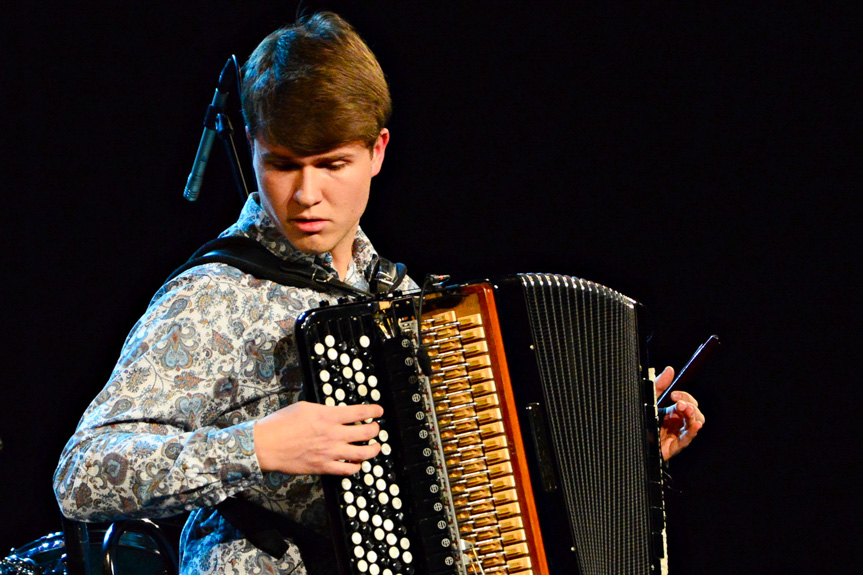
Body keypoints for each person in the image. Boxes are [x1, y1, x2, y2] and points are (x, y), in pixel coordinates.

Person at [53, 11, 705, 575]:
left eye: (331, 163)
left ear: (376, 151)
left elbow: (476, 491)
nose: (305, 194)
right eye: (282, 163)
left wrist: (620, 459)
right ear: (251, 146)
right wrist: (255, 447)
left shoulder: (403, 296)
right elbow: (81, 473)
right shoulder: (214, 295)